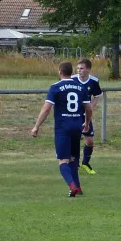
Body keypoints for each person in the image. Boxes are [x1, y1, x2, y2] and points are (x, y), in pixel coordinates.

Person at [32, 61, 92, 197]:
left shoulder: (56, 87)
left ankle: (72, 186)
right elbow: (88, 108)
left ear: (60, 71)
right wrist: (86, 123)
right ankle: (78, 187)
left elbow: (47, 108)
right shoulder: (80, 87)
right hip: (77, 126)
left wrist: (36, 126)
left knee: (63, 161)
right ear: (72, 72)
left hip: (63, 128)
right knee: (73, 158)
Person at [72, 59, 102, 175]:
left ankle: (85, 162)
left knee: (89, 141)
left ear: (88, 69)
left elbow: (97, 96)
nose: (79, 71)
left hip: (85, 116)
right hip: (73, 115)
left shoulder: (94, 81)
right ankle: (74, 163)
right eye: (78, 68)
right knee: (74, 140)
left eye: (82, 68)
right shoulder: (72, 80)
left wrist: (91, 107)